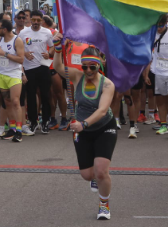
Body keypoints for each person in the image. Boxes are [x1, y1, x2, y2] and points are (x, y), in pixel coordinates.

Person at [53, 41, 117, 221]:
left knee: (102, 171)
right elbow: (57, 65)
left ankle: (104, 204)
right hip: (82, 130)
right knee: (87, 175)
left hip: (104, 127)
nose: (88, 70)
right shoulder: (76, 76)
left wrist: (84, 124)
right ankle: (95, 177)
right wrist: (58, 47)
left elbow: (102, 110)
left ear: (99, 65)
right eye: (85, 66)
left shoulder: (107, 85)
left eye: (92, 67)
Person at [0, 19, 26, 142]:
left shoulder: (17, 40)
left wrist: (4, 53)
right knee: (7, 102)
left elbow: (21, 59)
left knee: (16, 102)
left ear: (5, 29)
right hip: (2, 74)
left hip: (14, 75)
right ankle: (12, 128)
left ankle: (19, 131)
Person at [20, 10, 54, 134]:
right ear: (30, 20)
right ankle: (33, 122)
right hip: (29, 68)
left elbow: (52, 46)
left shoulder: (47, 32)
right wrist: (24, 53)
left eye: (38, 20)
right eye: (33, 20)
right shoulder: (23, 32)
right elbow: (17, 47)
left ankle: (45, 121)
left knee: (45, 95)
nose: (35, 22)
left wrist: (49, 53)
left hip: (43, 66)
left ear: (41, 21)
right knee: (31, 96)